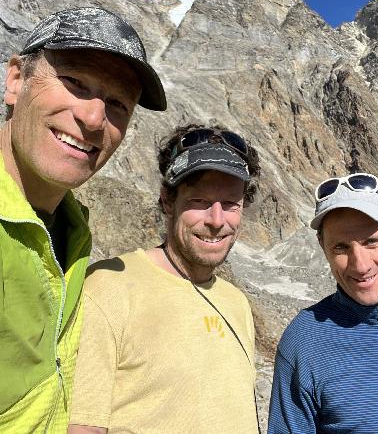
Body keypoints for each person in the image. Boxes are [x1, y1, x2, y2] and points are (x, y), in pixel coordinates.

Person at [0, 7, 166, 433]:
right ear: (16, 79)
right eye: (75, 82)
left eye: (117, 105)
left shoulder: (72, 233)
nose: (94, 119)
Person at [68, 124, 261, 434]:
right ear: (168, 201)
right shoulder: (110, 286)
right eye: (199, 202)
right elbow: (83, 426)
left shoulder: (235, 302)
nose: (216, 220)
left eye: (230, 204)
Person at [268, 172, 378, 434]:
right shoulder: (303, 341)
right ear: (323, 247)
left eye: (372, 242)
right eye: (341, 248)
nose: (361, 265)